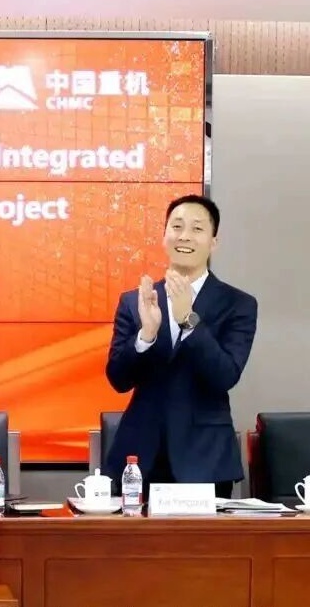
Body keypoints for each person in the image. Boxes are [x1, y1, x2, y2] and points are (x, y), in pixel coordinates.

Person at [105, 194, 257, 499]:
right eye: (176, 226)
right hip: (140, 458)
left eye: (197, 228)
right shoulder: (136, 301)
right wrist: (146, 335)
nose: (185, 236)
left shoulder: (238, 304)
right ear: (164, 237)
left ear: (213, 242)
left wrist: (189, 320)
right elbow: (118, 380)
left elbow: (225, 375)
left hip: (205, 459)